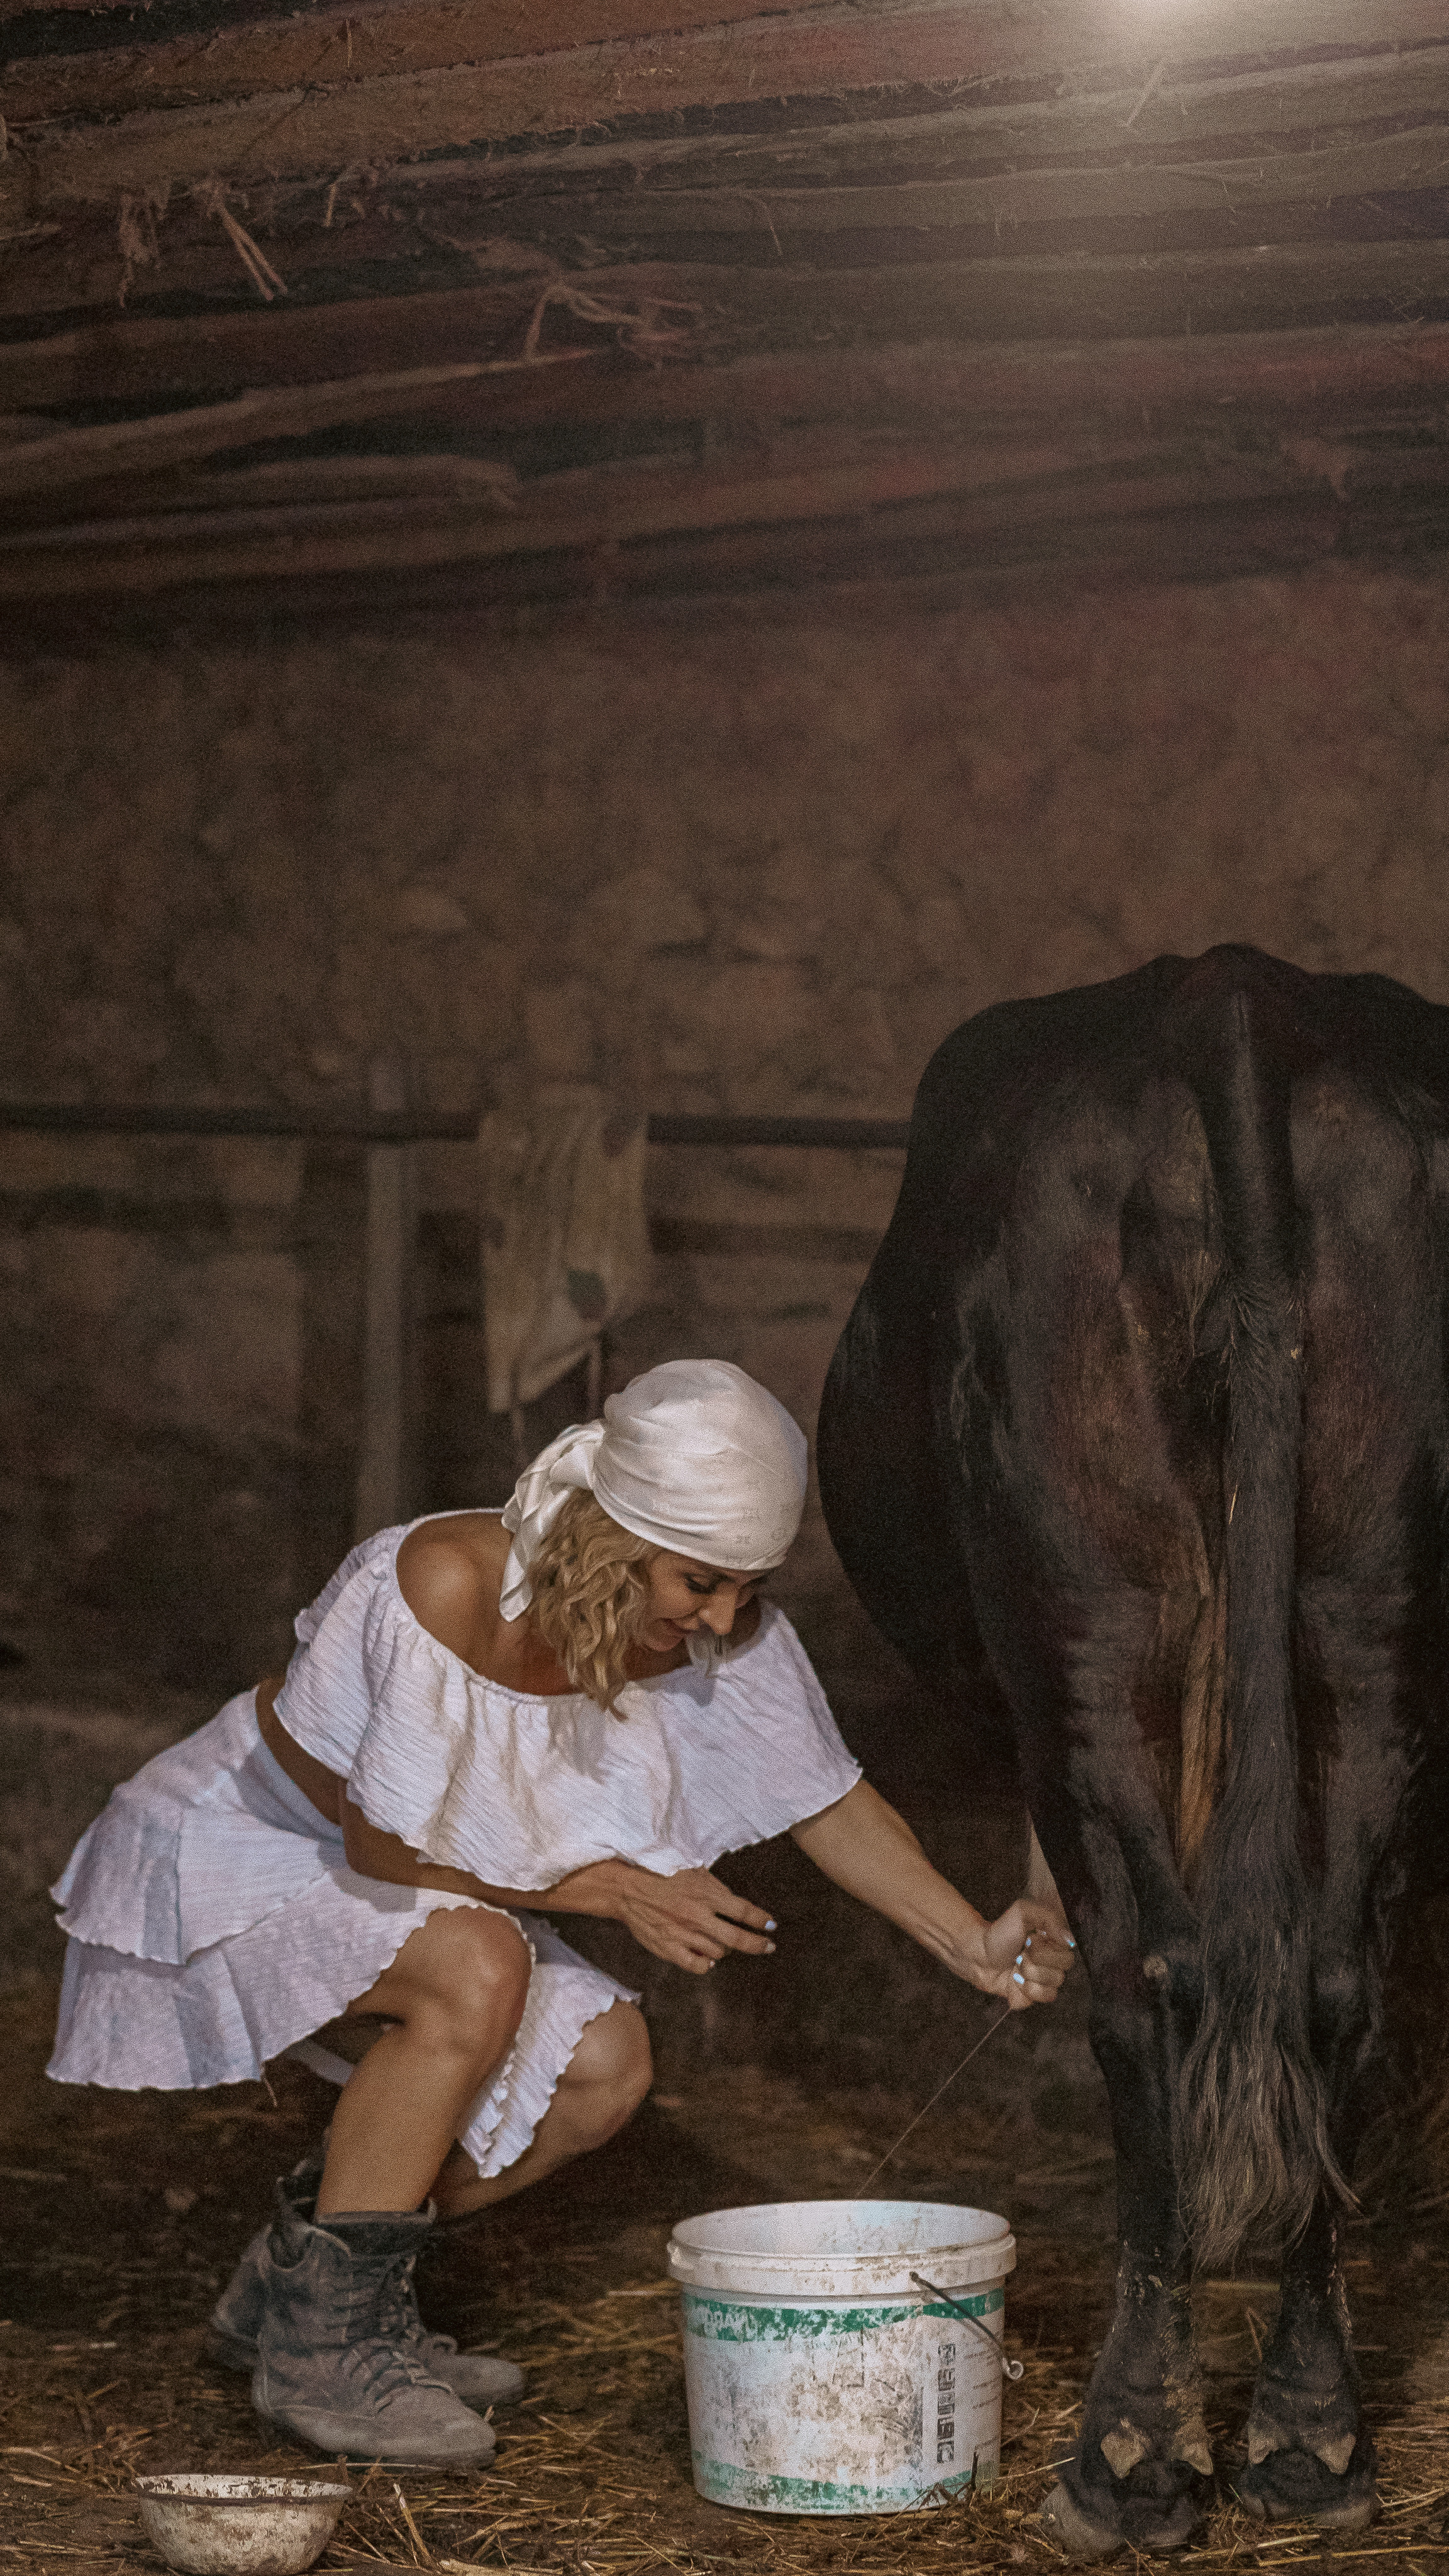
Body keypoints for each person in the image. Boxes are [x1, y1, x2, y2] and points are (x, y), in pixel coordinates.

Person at [47, 1360, 1074, 2468]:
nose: (723, 1616)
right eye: (698, 1582)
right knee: (480, 1968)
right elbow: (380, 1843)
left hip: (416, 1888)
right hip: (236, 1849)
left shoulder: (725, 1629)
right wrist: (611, 1888)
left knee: (605, 2071)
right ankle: (326, 2352)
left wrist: (969, 1938)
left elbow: (825, 1802)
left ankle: (305, 2300)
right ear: (612, 1536)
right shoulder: (439, 1581)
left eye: (749, 1586)